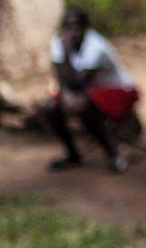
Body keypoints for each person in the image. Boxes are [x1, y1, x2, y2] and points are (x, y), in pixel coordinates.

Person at [44, 9, 139, 174]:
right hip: (85, 90)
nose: (72, 32)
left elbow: (79, 83)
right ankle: (73, 154)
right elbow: (60, 75)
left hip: (115, 91)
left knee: (82, 106)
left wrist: (65, 52)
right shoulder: (58, 40)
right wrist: (64, 96)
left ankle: (114, 154)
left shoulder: (95, 45)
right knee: (51, 108)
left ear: (85, 27)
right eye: (67, 27)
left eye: (76, 26)